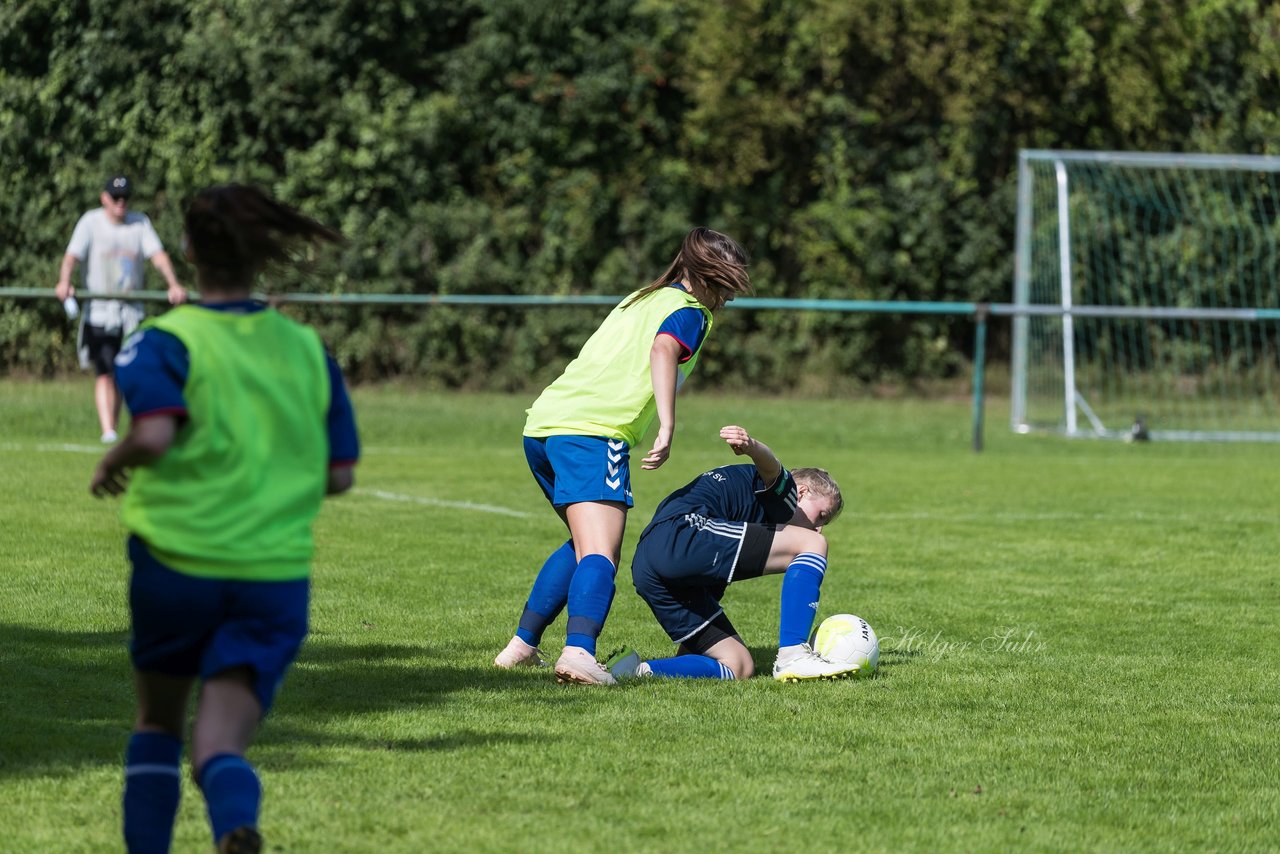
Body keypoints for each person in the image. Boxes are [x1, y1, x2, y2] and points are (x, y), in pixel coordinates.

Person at [89, 184, 359, 854]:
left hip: (176, 567)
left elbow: (154, 433)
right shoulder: (307, 350)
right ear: (260, 256)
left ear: (189, 250)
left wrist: (112, 460)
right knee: (218, 744)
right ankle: (234, 821)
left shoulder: (164, 340)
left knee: (157, 722)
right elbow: (340, 473)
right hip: (271, 579)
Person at [494, 227, 753, 685]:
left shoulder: (641, 298)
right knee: (601, 551)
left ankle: (520, 647)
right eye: (726, 286)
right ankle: (579, 654)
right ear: (705, 276)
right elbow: (664, 349)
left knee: (581, 545)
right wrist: (668, 424)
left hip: (544, 426)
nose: (728, 299)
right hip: (594, 433)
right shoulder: (690, 311)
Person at [606, 425, 854, 682]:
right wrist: (752, 447)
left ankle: (632, 671)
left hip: (649, 565)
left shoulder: (733, 532)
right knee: (813, 544)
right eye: (821, 515)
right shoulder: (784, 495)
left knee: (738, 665)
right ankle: (794, 656)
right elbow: (771, 467)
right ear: (801, 493)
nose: (819, 527)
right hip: (685, 532)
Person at [55, 175, 188, 443]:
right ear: (104, 198)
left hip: (131, 314)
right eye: (116, 197)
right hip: (100, 312)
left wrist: (174, 284)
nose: (121, 202)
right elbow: (72, 256)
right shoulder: (90, 222)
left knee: (127, 372)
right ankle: (108, 431)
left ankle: (121, 428)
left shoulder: (140, 223)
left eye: (125, 197)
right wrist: (64, 282)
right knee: (104, 371)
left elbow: (157, 256)